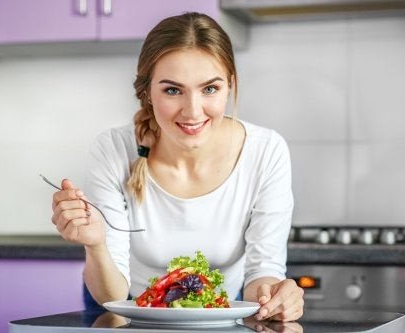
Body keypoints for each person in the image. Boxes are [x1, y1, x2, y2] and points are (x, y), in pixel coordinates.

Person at [51, 12, 304, 322]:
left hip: (222, 313)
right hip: (125, 309)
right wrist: (96, 244)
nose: (193, 111)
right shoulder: (113, 150)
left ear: (230, 86)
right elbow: (112, 296)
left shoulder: (266, 151)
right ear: (146, 92)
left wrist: (274, 297)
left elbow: (262, 271)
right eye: (172, 90)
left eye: (210, 89)